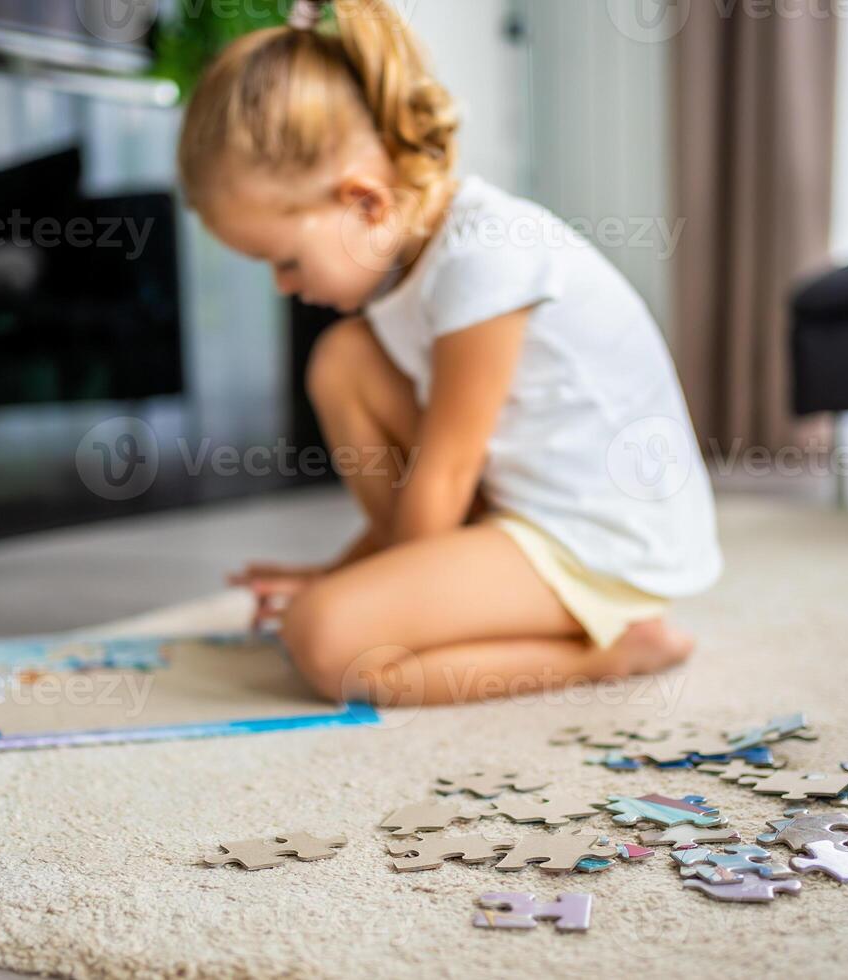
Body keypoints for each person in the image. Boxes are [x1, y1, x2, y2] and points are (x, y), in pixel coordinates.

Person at [176, 0, 721, 706]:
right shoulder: (416, 264)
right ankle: (411, 602)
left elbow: (447, 471)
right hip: (524, 513)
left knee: (327, 643)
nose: (284, 287)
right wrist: (345, 573)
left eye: (284, 260)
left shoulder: (484, 257)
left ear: (365, 203)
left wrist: (351, 599)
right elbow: (429, 487)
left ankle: (615, 648)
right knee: (343, 360)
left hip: (601, 543)